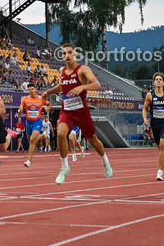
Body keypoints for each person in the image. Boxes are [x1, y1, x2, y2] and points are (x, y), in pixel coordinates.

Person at [43, 43, 113, 184]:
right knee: (61, 134)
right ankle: (65, 167)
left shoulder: (83, 69)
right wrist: (48, 92)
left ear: (75, 54)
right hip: (67, 111)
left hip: (81, 112)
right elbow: (62, 86)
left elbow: (97, 84)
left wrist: (82, 87)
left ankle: (105, 161)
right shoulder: (62, 71)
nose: (67, 55)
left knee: (93, 141)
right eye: (64, 53)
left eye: (69, 52)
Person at [18, 83, 50, 168]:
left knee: (32, 140)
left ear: (35, 89)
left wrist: (48, 108)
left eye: (32, 89)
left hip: (37, 122)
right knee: (31, 141)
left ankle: (29, 161)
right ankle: (43, 135)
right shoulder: (25, 99)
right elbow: (21, 109)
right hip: (29, 123)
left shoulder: (41, 98)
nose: (31, 91)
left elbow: (49, 104)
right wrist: (20, 111)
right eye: (29, 89)